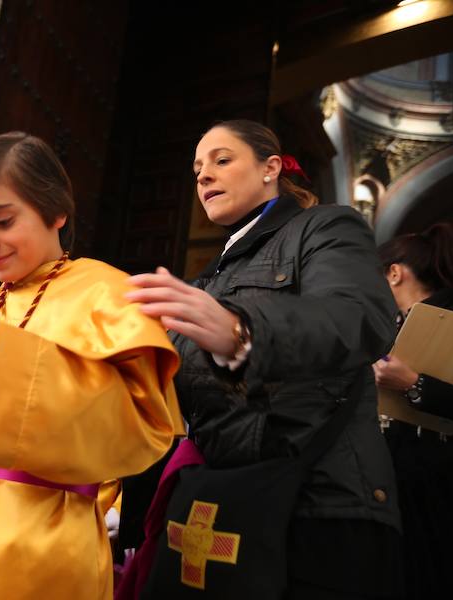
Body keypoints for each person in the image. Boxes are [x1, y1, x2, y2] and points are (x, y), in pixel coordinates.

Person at [0, 132, 182, 600]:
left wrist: (7, 356)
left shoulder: (109, 295)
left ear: (56, 210)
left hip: (39, 537)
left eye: (2, 220)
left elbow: (142, 424)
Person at [123, 120, 402, 599]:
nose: (204, 176)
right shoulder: (206, 279)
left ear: (271, 167)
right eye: (196, 169)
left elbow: (356, 317)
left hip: (318, 506)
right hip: (220, 498)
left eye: (221, 160)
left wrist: (242, 333)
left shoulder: (327, 227)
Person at [374, 221, 453, 600]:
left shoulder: (450, 320)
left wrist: (413, 383)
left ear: (394, 273)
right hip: (387, 480)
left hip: (436, 481)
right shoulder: (386, 325)